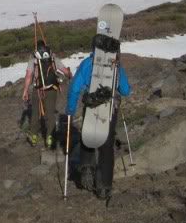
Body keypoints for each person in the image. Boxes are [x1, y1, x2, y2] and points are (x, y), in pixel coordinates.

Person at [66, 53, 131, 199]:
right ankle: (104, 186)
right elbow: (126, 90)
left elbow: (75, 88)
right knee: (107, 145)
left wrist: (70, 110)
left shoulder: (88, 63)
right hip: (110, 109)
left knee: (88, 134)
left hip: (91, 105)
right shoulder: (117, 64)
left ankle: (87, 166)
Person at [21, 40, 71, 148]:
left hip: (37, 90)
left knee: (35, 113)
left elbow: (29, 76)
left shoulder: (33, 60)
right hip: (51, 89)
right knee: (50, 113)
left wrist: (25, 90)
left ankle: (34, 137)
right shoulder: (52, 58)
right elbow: (65, 72)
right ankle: (49, 138)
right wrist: (69, 74)